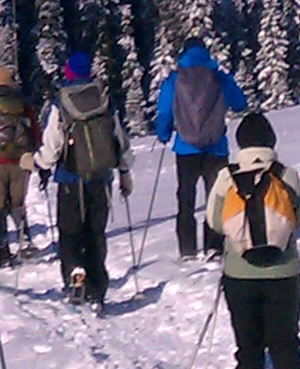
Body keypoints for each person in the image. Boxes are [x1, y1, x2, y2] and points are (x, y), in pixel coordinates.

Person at [204, 111, 300, 369]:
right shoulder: (287, 175)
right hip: (285, 272)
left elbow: (213, 220)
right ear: (271, 141)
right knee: (284, 341)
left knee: (248, 344)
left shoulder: (227, 177)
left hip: (240, 274)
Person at [34, 50, 134, 306]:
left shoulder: (61, 103)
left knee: (69, 232)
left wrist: (41, 164)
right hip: (101, 179)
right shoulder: (103, 101)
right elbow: (119, 139)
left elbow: (53, 145)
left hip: (70, 178)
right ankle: (98, 287)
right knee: (95, 232)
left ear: (67, 74)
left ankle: (75, 272)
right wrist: (124, 171)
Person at [153, 38, 250, 260]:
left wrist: (164, 133)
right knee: (216, 198)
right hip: (216, 147)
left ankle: (187, 249)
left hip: (185, 148)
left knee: (185, 198)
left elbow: (165, 112)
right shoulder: (218, 76)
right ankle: (213, 247)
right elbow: (239, 103)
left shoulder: (174, 80)